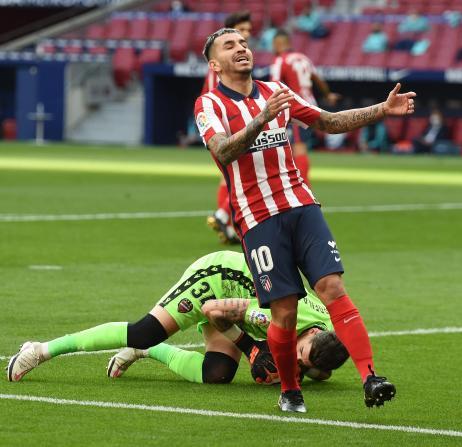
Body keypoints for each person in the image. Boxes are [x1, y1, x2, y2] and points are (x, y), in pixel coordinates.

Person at [194, 28, 414, 412]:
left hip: (302, 206)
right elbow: (223, 151)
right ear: (215, 64)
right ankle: (290, 390)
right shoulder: (208, 104)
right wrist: (262, 118)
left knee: (333, 287)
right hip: (258, 217)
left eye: (243, 43)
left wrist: (381, 109)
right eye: (230, 46)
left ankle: (370, 377)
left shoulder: (276, 90)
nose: (241, 48)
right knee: (284, 311)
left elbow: (327, 121)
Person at [7, 251, 348, 385]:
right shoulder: (278, 316)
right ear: (309, 334)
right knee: (144, 331)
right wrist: (252, 350)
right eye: (299, 354)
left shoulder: (327, 337)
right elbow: (214, 311)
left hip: (241, 304)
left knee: (216, 374)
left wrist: (301, 369)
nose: (297, 361)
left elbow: (320, 368)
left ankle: (147, 352)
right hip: (216, 280)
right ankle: (41, 350)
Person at [202, 11, 253, 245]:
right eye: (242, 30)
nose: (247, 35)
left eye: (248, 31)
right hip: (224, 123)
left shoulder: (233, 60)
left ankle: (230, 227)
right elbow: (216, 97)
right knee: (242, 176)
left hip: (227, 122)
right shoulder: (222, 66)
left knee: (229, 178)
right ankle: (224, 216)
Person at [271, 29, 340, 184]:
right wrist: (328, 95)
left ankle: (304, 185)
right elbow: (317, 79)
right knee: (295, 145)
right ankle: (295, 181)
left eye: (273, 45)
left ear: (278, 43)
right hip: (311, 106)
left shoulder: (280, 60)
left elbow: (274, 86)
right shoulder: (303, 58)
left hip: (295, 107)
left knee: (298, 146)